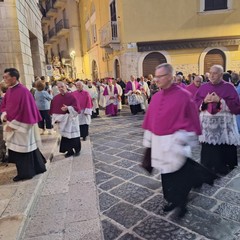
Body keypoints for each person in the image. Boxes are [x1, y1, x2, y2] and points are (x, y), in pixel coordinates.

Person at [142, 63, 217, 217]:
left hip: (176, 144)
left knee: (179, 176)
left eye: (160, 76)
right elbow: (150, 120)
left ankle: (181, 203)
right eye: (155, 76)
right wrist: (148, 142)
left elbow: (192, 118)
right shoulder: (156, 97)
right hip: (159, 143)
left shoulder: (183, 95)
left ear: (170, 77)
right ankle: (171, 200)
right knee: (166, 175)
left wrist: (183, 139)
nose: (156, 80)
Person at [1, 68, 46, 181]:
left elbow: (26, 111)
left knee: (24, 151)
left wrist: (14, 125)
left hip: (22, 126)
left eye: (6, 77)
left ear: (14, 78)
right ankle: (38, 167)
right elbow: (4, 106)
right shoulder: (9, 91)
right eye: (4, 77)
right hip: (12, 124)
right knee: (20, 151)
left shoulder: (23, 91)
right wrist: (5, 115)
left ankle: (26, 173)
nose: (4, 79)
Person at [195, 65, 240, 175]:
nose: (212, 75)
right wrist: (204, 101)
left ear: (221, 75)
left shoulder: (229, 87)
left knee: (223, 147)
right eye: (210, 73)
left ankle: (223, 167)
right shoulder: (203, 87)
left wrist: (220, 100)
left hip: (223, 126)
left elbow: (236, 106)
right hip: (208, 127)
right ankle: (208, 166)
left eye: (215, 73)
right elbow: (195, 103)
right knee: (208, 148)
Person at [50, 81, 81, 158]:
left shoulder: (72, 96)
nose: (61, 88)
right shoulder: (56, 98)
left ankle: (77, 150)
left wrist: (68, 108)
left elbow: (77, 108)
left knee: (74, 137)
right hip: (63, 121)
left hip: (71, 120)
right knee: (66, 137)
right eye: (59, 87)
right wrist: (55, 119)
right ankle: (69, 151)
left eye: (62, 87)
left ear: (66, 87)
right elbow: (53, 110)